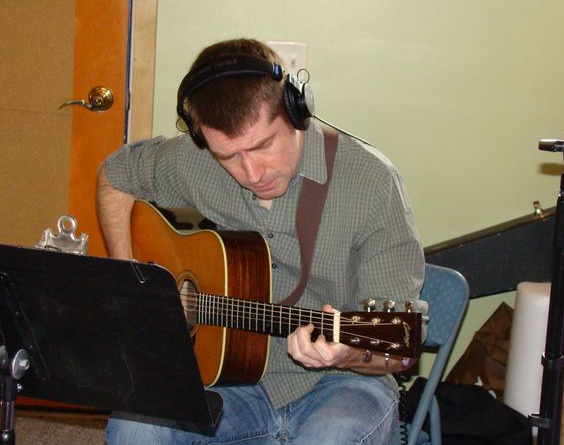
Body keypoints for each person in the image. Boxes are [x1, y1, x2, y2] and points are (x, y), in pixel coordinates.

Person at [97, 38, 425, 444]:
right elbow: (115, 176)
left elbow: (399, 348)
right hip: (228, 377)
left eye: (263, 145)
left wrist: (348, 352)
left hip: (344, 384)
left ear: (296, 111)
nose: (252, 172)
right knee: (135, 429)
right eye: (228, 156)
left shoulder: (371, 182)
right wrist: (132, 285)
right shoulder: (196, 162)